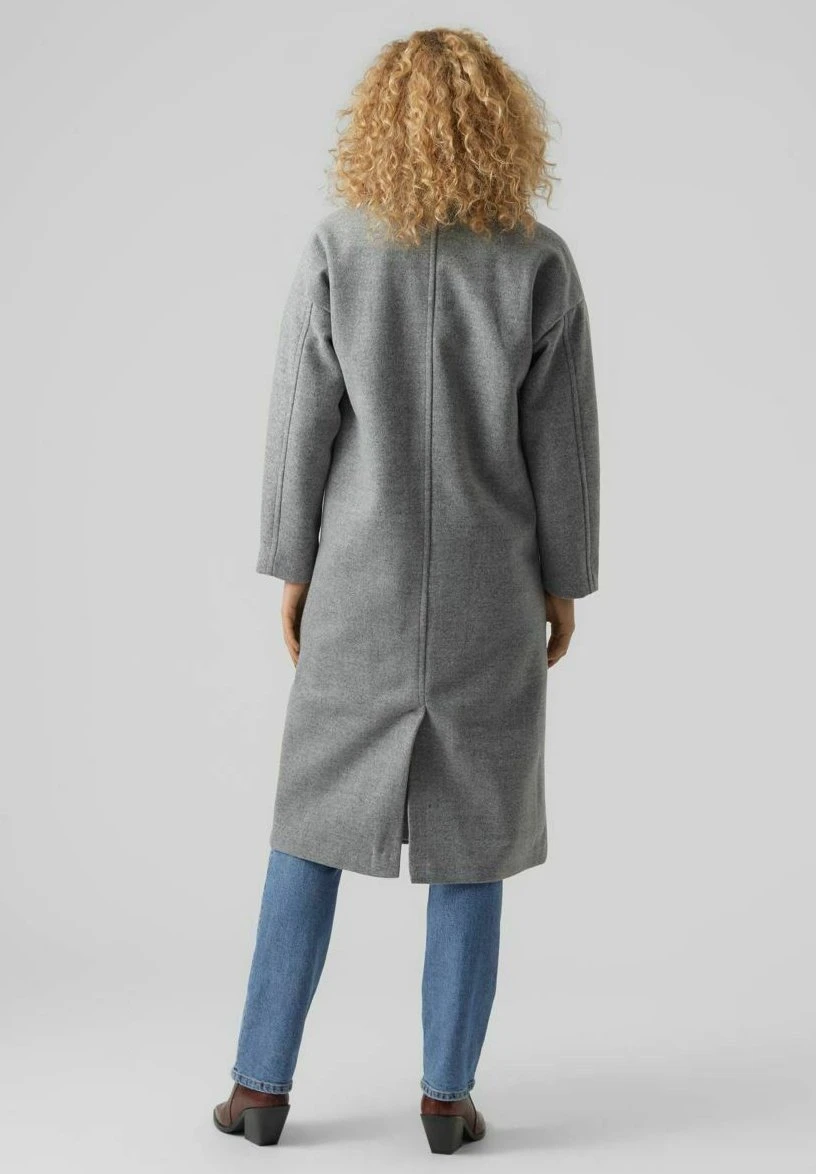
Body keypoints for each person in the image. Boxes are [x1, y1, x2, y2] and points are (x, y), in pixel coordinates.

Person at [213, 26, 600, 1153]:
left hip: (358, 583)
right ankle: (445, 1096)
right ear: (503, 127)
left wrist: (294, 565)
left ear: (379, 124)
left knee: (310, 823)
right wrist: (564, 582)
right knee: (476, 836)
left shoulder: (339, 248)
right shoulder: (538, 264)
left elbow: (300, 426)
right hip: (492, 587)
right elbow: (563, 448)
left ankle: (259, 1089)